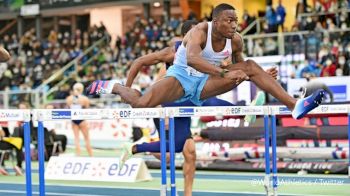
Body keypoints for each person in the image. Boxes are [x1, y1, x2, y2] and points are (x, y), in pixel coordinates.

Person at [87, 3, 324, 121]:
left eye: (236, 21)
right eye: (229, 21)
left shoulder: (237, 40)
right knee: (140, 104)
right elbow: (192, 59)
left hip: (205, 84)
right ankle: (115, 87)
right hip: (180, 78)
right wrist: (224, 74)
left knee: (251, 65)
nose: (234, 25)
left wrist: (257, 75)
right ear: (216, 21)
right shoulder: (200, 31)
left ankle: (295, 106)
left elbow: (240, 65)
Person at [122, 20, 277, 196]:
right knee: (173, 149)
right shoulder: (175, 52)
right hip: (168, 105)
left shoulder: (206, 53)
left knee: (181, 148)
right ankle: (244, 111)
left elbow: (230, 71)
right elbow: (157, 80)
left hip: (187, 101)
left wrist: (260, 74)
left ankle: (135, 149)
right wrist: (154, 107)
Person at [66, 83, 93, 156]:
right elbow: (87, 109)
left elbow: (69, 108)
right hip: (82, 119)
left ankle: (78, 155)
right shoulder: (84, 99)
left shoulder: (69, 99)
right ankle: (91, 155)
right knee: (86, 138)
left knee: (76, 138)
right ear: (81, 89)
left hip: (74, 119)